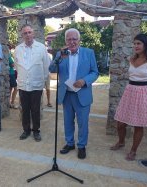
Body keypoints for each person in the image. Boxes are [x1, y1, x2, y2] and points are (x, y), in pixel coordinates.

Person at [110, 33, 147, 161]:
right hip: (130, 92)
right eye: (134, 43)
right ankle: (121, 142)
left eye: (139, 43)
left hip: (144, 94)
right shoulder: (131, 60)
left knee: (138, 125)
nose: (136, 46)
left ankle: (133, 151)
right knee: (120, 122)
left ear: (145, 45)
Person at [49, 28, 99, 159]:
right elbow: (52, 69)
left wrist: (84, 80)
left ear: (79, 40)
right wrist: (58, 58)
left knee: (82, 122)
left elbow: (95, 72)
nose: (72, 41)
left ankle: (81, 146)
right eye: (69, 39)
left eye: (74, 39)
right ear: (65, 40)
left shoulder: (88, 53)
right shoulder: (62, 54)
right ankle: (70, 143)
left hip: (82, 94)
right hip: (66, 94)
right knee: (67, 121)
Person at [14, 24, 50, 142]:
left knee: (35, 109)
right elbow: (17, 66)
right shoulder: (18, 49)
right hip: (23, 85)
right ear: (22, 35)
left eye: (29, 32)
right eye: (25, 33)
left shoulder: (41, 48)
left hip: (36, 85)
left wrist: (42, 80)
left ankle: (36, 131)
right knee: (24, 109)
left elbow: (46, 66)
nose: (28, 35)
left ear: (33, 33)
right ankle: (26, 130)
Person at [8, 44, 18, 109]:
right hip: (11, 73)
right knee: (15, 88)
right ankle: (12, 103)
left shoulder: (8, 54)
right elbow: (12, 65)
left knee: (10, 88)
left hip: (11, 73)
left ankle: (9, 103)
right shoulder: (8, 55)